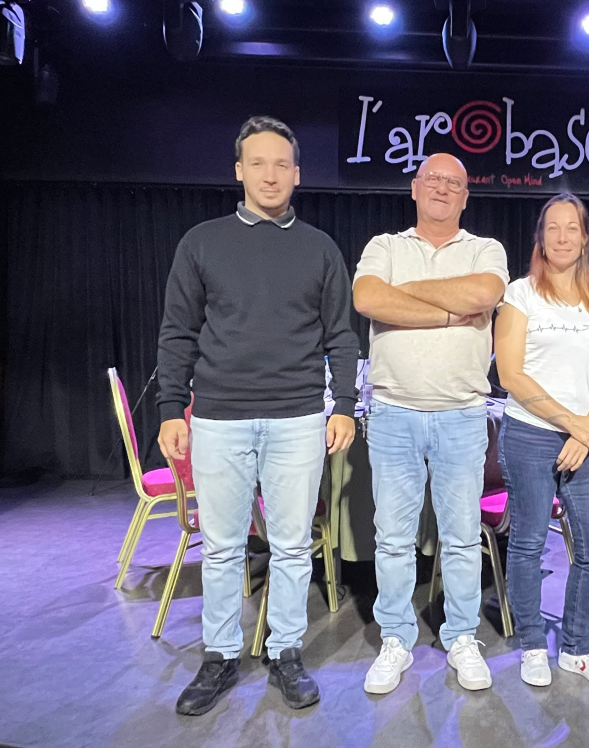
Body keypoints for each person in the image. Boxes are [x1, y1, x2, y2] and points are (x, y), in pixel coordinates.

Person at [155, 115, 358, 716]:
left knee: (292, 547)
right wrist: (171, 408)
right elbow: (177, 331)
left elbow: (341, 335)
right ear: (239, 171)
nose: (271, 175)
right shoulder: (201, 242)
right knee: (222, 547)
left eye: (282, 164)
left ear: (297, 174)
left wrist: (344, 404)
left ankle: (285, 651)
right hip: (219, 418)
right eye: (258, 163)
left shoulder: (320, 248)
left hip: (298, 418)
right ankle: (219, 656)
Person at [352, 153, 509, 694]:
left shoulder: (486, 249)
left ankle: (461, 636)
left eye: (454, 183)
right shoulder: (385, 245)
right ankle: (395, 638)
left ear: (465, 196)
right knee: (393, 538)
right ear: (415, 188)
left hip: (462, 414)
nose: (442, 188)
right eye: (433, 179)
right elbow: (368, 297)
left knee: (462, 538)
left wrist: (404, 293)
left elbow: (484, 294)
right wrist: (447, 311)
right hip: (393, 411)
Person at [493, 193, 589, 688]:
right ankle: (531, 645)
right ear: (540, 239)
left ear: (586, 238)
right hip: (530, 434)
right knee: (527, 543)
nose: (562, 237)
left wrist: (587, 432)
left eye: (572, 229)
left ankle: (577, 648)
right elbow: (510, 374)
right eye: (553, 228)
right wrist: (570, 422)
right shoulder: (520, 294)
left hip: (584, 441)